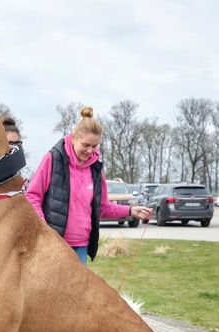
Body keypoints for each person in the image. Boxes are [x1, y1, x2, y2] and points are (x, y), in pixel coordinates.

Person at [25, 106, 151, 265]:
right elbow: (32, 196)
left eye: (94, 146)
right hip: (54, 244)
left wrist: (131, 211)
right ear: (73, 138)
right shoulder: (53, 159)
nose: (90, 151)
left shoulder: (96, 170)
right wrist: (42, 226)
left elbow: (103, 207)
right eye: (85, 145)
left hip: (81, 247)